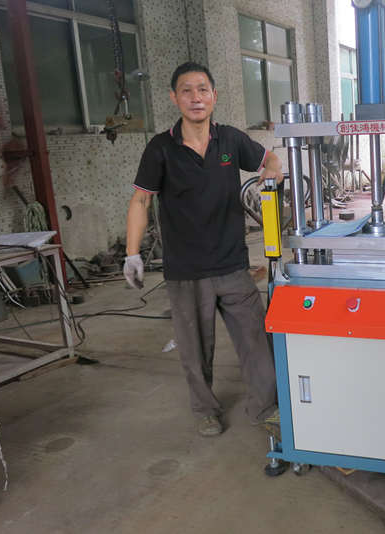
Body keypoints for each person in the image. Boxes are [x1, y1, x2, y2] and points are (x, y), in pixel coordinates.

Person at [123, 62, 281, 437]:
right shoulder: (161, 148)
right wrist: (132, 252)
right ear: (174, 98)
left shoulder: (231, 140)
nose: (196, 98)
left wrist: (273, 169)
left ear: (214, 95)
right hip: (186, 270)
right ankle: (205, 410)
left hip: (233, 265)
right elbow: (141, 200)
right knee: (195, 350)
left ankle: (265, 407)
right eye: (187, 90)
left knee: (256, 343)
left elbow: (269, 158)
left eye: (202, 90)